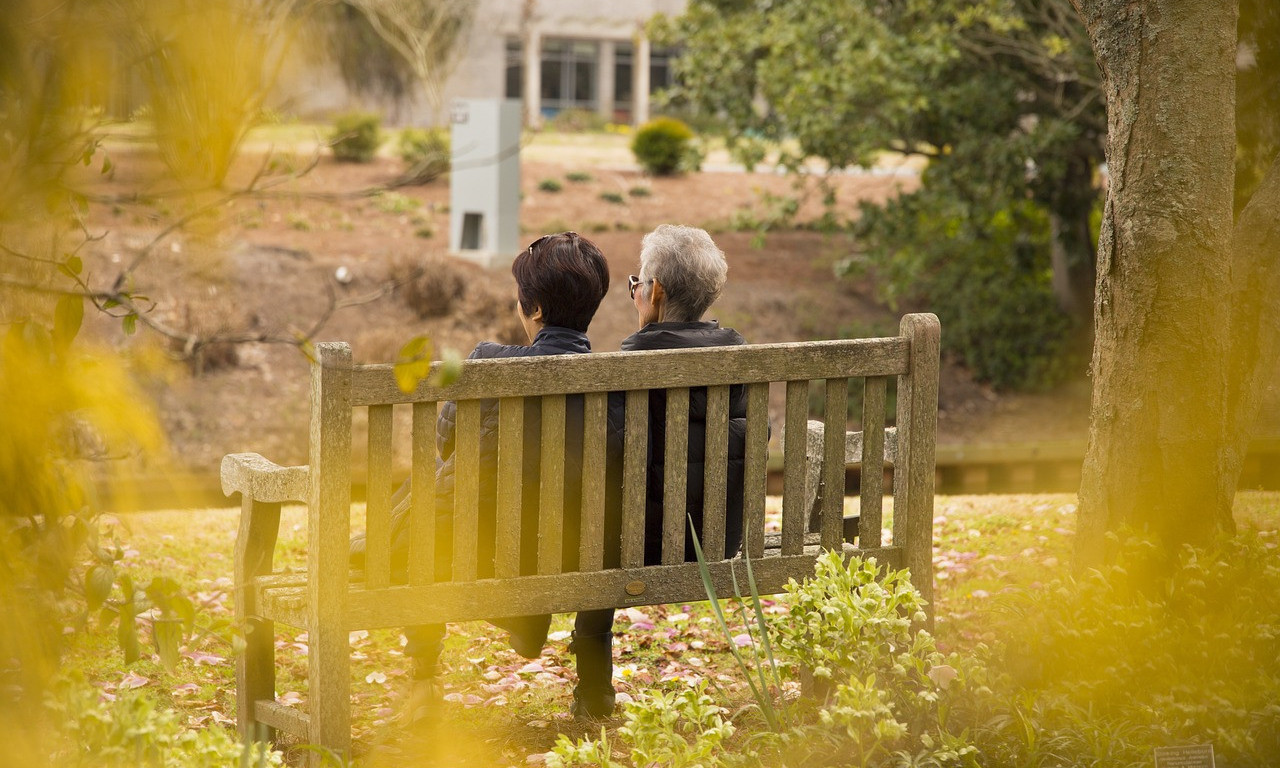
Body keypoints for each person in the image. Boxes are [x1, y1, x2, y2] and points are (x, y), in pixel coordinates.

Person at [351, 232, 610, 721]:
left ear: (532, 310)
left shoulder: (491, 363)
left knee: (427, 502)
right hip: (578, 550)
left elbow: (447, 442)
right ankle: (543, 634)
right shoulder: (617, 381)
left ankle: (426, 684)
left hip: (483, 550)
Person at [571, 224, 750, 719]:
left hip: (635, 546)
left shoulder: (626, 368)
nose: (635, 292)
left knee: (598, 537)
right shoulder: (739, 359)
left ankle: (594, 694)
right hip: (716, 540)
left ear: (658, 293)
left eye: (637, 283)